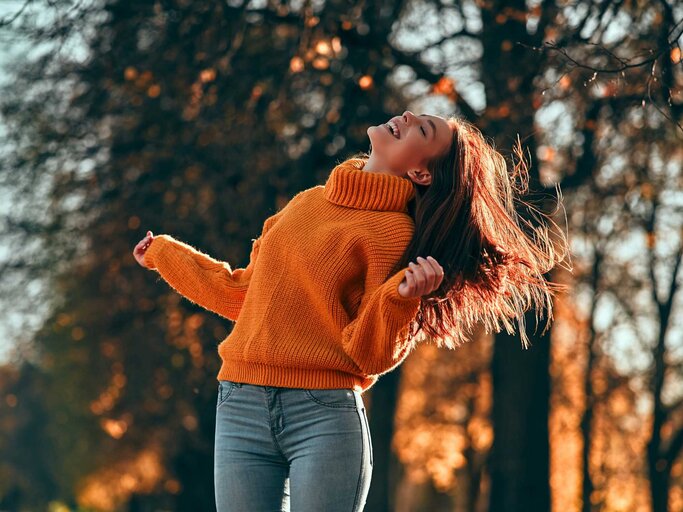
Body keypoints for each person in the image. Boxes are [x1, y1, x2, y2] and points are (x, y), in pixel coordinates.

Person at [132, 111, 567, 511]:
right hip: (240, 405)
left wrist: (400, 298)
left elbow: (368, 353)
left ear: (420, 172)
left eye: (424, 130)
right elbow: (242, 294)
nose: (410, 115)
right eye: (418, 115)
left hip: (323, 416)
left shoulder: (395, 234)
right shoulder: (306, 203)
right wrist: (165, 254)